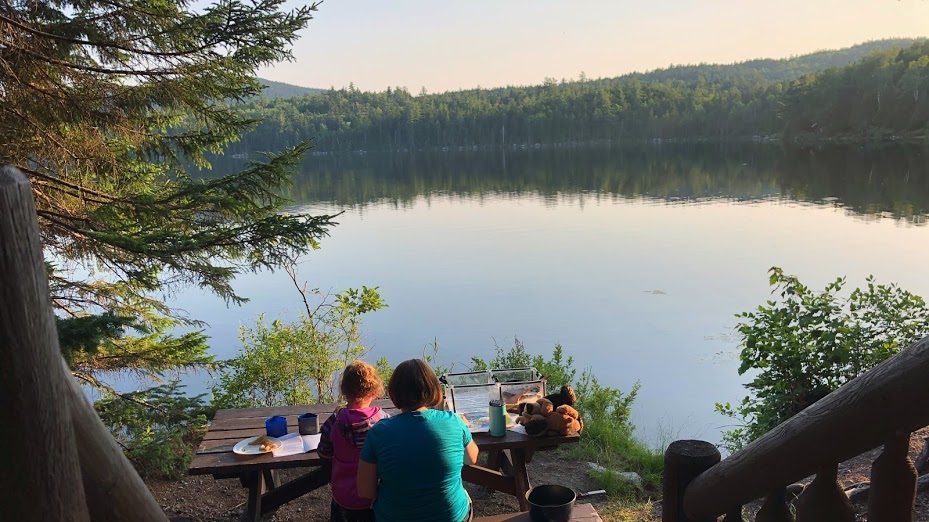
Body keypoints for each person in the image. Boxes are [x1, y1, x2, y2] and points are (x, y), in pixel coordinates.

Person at [358, 359, 479, 522]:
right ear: (432, 388)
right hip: (451, 517)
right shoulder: (454, 421)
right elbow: (472, 458)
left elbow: (366, 491)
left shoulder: (379, 432)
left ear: (394, 392)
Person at [318, 360, 390, 522]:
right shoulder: (382, 420)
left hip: (343, 495)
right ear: (374, 391)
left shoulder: (334, 421)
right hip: (373, 494)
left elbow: (323, 452)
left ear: (344, 390)